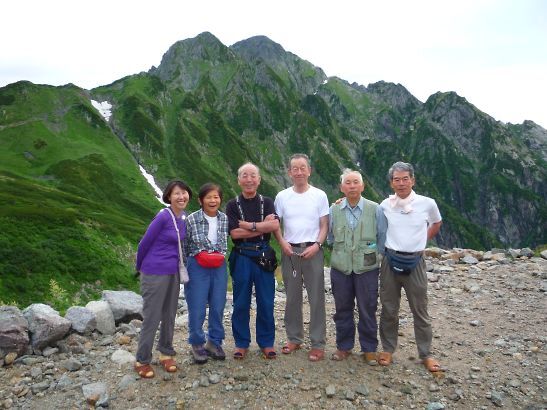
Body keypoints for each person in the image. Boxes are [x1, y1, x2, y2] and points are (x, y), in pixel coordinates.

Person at [376, 161, 443, 372]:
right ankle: (387, 349)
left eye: (406, 179)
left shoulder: (427, 203)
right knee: (388, 307)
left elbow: (437, 222)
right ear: (391, 183)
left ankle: (426, 354)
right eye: (397, 179)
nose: (402, 183)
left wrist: (422, 242)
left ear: (413, 180)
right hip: (390, 260)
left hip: (415, 262)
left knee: (420, 309)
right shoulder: (385, 205)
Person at [274, 153, 329, 362]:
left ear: (309, 171)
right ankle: (294, 338)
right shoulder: (282, 197)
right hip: (290, 251)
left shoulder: (320, 195)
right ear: (289, 172)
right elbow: (276, 224)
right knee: (292, 298)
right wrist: (282, 243)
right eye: (294, 168)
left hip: (313, 250)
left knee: (317, 299)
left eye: (302, 168)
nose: (299, 172)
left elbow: (325, 224)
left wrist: (318, 245)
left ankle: (317, 343)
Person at [134, 180, 192, 378]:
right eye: (177, 193)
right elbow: (144, 244)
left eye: (184, 193)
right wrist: (139, 267)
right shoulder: (163, 217)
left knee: (169, 314)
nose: (181, 197)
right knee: (152, 316)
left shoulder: (182, 217)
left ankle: (165, 353)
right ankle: (142, 359)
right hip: (154, 272)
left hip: (173, 272)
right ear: (169, 196)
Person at [226, 162, 280, 360]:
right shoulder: (232, 205)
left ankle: (266, 343)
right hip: (241, 256)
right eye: (244, 176)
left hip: (264, 255)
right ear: (239, 180)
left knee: (266, 301)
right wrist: (261, 226)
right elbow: (234, 233)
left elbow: (273, 225)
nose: (249, 179)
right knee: (240, 302)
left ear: (259, 179)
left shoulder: (267, 201)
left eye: (253, 176)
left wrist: (250, 225)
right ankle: (241, 343)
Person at [327, 169, 380, 365]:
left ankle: (369, 348)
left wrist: (374, 253)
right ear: (341, 188)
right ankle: (344, 346)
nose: (352, 186)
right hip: (341, 267)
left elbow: (381, 236)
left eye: (355, 182)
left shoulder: (376, 209)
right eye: (347, 183)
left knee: (368, 307)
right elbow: (330, 237)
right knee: (342, 308)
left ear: (362, 186)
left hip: (367, 268)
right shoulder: (334, 210)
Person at [184, 183, 229, 364]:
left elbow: (224, 242)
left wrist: (215, 255)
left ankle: (214, 342)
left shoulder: (224, 219)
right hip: (197, 265)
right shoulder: (191, 219)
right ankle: (197, 343)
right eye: (209, 197)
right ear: (200, 200)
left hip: (218, 265)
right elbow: (185, 245)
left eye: (216, 197)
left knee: (218, 306)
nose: (213, 200)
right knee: (197, 306)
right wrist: (199, 255)